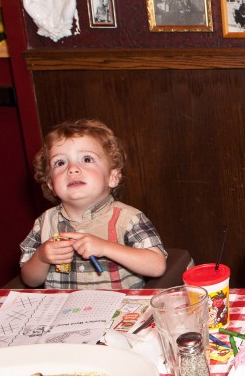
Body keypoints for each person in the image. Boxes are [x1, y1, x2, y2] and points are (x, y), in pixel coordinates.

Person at [19, 119, 168, 289]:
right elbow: (30, 280)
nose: (72, 169)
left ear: (113, 177)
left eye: (87, 159)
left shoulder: (128, 219)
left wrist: (105, 247)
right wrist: (41, 257)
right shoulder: (44, 222)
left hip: (120, 311)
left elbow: (157, 266)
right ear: (51, 184)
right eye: (60, 162)